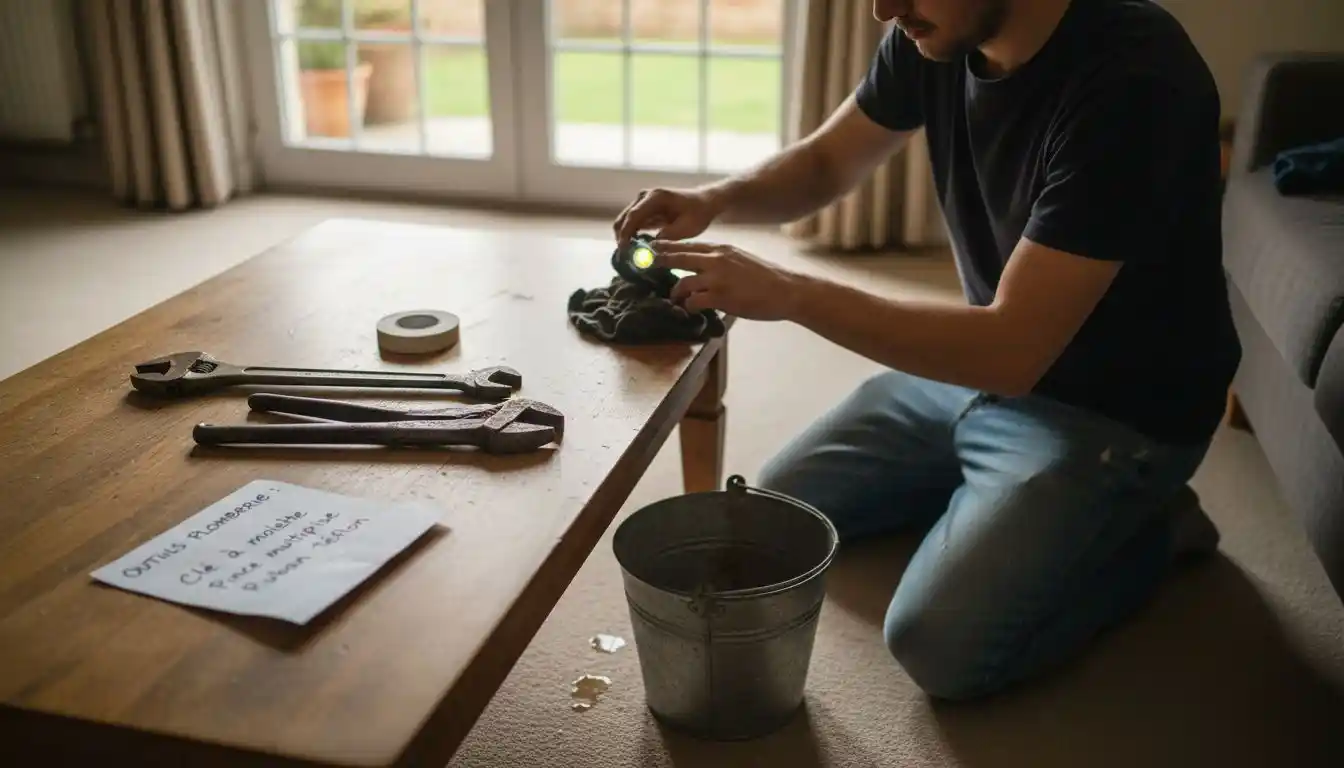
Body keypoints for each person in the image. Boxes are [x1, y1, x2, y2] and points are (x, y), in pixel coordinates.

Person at [612, 0, 1242, 702]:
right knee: (776, 506)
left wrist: (790, 292)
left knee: (938, 645)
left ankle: (1152, 532)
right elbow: (824, 164)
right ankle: (1007, 504)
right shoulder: (935, 33)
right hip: (974, 369)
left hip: (1110, 413)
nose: (885, 10)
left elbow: (1011, 351)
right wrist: (715, 198)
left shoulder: (1137, 82)